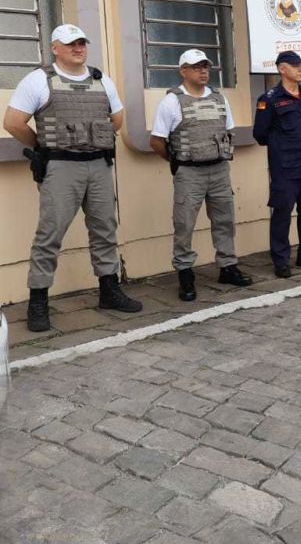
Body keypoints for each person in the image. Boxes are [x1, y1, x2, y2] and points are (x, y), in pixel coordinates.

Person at [3, 24, 142, 332]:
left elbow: (117, 118)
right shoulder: (39, 79)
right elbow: (13, 122)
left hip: (98, 164)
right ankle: (38, 300)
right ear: (55, 48)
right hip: (61, 166)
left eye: (82, 43)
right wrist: (41, 145)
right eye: (71, 44)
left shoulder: (100, 78)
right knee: (49, 235)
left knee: (105, 229)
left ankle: (109, 290)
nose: (79, 48)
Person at [150, 49, 252, 300]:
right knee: (184, 224)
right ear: (183, 71)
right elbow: (157, 141)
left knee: (224, 220)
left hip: (219, 169)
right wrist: (177, 162)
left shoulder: (219, 98)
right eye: (196, 67)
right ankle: (185, 274)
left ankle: (227, 266)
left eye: (205, 66)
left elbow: (228, 130)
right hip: (190, 172)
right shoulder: (172, 101)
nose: (203, 71)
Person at [253, 51, 301, 277]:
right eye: (295, 65)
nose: (300, 69)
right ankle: (281, 260)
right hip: (285, 168)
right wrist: (282, 148)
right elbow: (260, 134)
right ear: (282, 69)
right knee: (282, 214)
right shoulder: (269, 99)